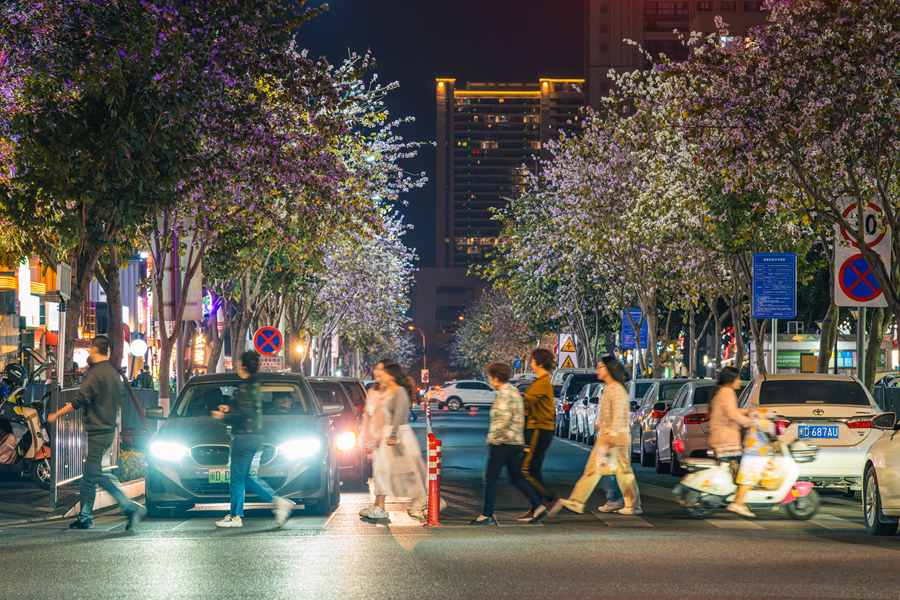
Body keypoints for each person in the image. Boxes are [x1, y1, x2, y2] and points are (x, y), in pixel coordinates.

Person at [47, 336, 147, 530]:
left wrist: (56, 415)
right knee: (88, 475)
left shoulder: (94, 374)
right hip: (109, 429)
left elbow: (80, 400)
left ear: (93, 350)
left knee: (93, 471)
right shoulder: (112, 373)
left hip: (98, 430)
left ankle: (129, 506)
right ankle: (85, 517)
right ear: (107, 351)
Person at [211, 351, 294, 528]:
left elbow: (242, 414)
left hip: (243, 436)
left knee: (236, 478)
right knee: (245, 478)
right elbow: (246, 409)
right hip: (254, 436)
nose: (238, 367)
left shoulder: (245, 387)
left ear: (244, 366)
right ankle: (277, 502)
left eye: (240, 363)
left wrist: (223, 416)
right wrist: (229, 407)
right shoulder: (254, 386)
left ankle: (235, 517)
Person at [560, 356, 642, 515]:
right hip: (607, 436)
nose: (598, 370)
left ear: (609, 369)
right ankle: (577, 501)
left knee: (623, 472)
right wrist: (599, 423)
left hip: (616, 437)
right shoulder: (608, 388)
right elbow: (606, 412)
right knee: (593, 469)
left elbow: (618, 414)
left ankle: (633, 505)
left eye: (600, 367)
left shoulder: (617, 389)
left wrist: (612, 434)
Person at [469, 362, 549, 525]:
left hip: (503, 442)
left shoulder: (505, 394)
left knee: (490, 477)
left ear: (496, 378)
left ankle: (487, 515)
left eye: (490, 378)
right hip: (516, 442)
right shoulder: (514, 392)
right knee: (517, 478)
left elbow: (503, 419)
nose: (490, 381)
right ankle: (538, 506)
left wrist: (493, 438)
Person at [365, 363, 427, 521]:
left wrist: (392, 435)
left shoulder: (399, 391)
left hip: (399, 435)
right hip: (388, 433)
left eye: (384, 373)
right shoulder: (388, 391)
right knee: (384, 470)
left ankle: (421, 498)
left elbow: (400, 415)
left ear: (392, 376)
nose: (381, 376)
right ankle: (380, 506)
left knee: (408, 470)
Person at [519, 348, 561, 520]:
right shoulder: (542, 382)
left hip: (539, 429)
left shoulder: (542, 382)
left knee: (526, 470)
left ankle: (550, 500)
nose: (531, 364)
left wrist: (516, 398)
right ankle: (536, 506)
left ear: (540, 363)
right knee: (534, 470)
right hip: (539, 429)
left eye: (532, 361)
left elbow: (526, 402)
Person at [707, 366, 753, 516]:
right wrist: (750, 422)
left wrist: (748, 412)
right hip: (726, 439)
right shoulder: (727, 392)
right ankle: (738, 501)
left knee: (733, 468)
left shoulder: (722, 392)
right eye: (738, 378)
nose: (740, 381)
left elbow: (731, 411)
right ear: (731, 380)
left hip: (721, 437)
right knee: (744, 469)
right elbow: (732, 415)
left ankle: (736, 499)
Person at [359, 360, 393, 518]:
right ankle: (377, 505)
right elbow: (368, 413)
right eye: (377, 370)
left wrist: (381, 434)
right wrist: (365, 433)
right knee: (378, 470)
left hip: (384, 435)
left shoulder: (390, 391)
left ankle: (381, 506)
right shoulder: (374, 390)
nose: (378, 373)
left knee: (383, 470)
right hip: (374, 434)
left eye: (382, 370)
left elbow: (387, 415)